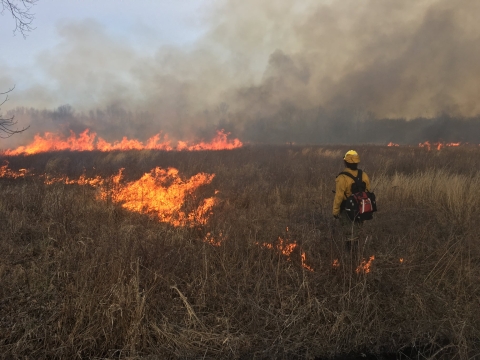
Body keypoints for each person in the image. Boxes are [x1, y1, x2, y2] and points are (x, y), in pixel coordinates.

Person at [333, 150, 371, 247]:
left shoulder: (342, 178)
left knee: (349, 235)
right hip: (362, 208)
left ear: (345, 162)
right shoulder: (364, 175)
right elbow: (367, 191)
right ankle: (357, 255)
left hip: (347, 210)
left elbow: (339, 196)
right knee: (358, 232)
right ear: (357, 162)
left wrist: (335, 211)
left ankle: (350, 257)